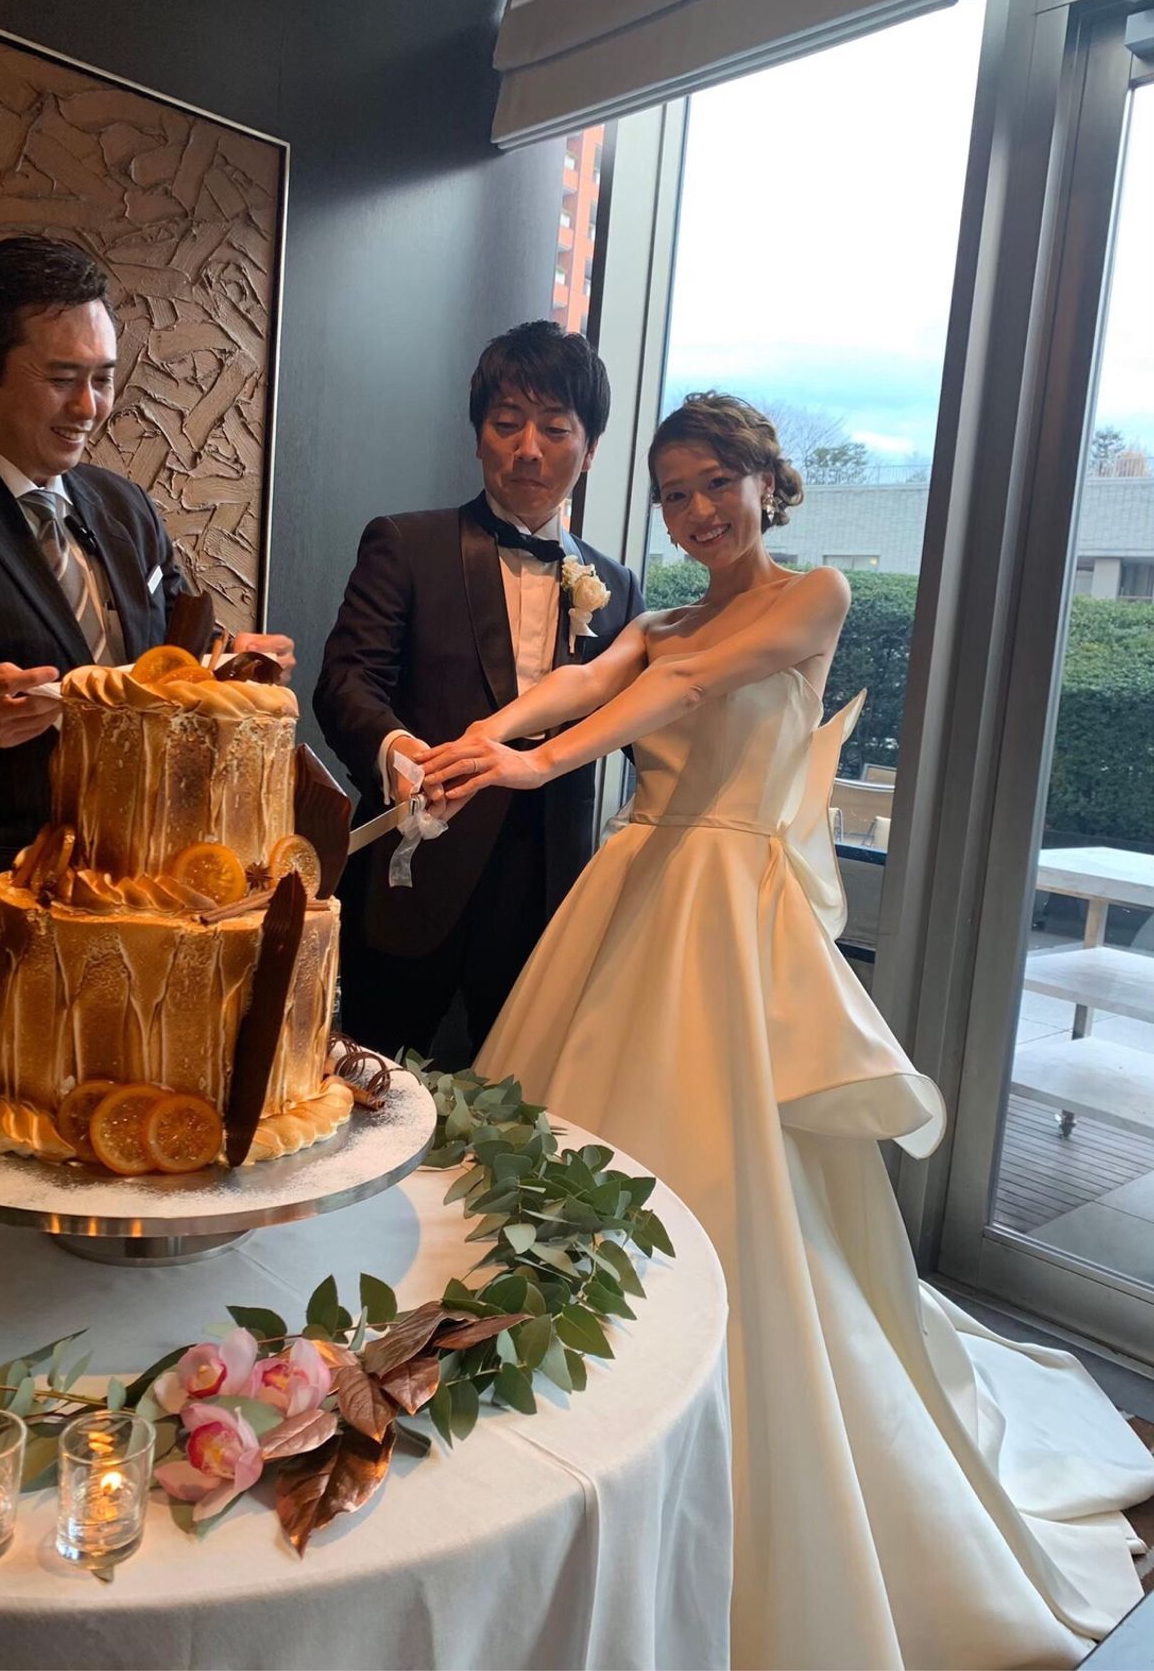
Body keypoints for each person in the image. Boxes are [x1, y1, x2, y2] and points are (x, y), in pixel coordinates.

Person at [422, 392, 1154, 1669]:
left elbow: (683, 687)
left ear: (767, 481)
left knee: (727, 1177)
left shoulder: (812, 595)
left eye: (716, 483)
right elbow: (587, 679)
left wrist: (536, 767)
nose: (697, 511)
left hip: (721, 915)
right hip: (628, 898)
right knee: (558, 1145)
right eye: (673, 495)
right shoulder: (657, 615)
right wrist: (467, 742)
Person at [0, 235, 293, 1018]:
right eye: (63, 378)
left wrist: (226, 662)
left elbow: (166, 658)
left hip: (151, 902)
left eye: (102, 378)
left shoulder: (124, 506)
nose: (90, 407)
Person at [313, 320, 644, 1061]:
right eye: (506, 423)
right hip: (416, 868)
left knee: (517, 1096)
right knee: (369, 1081)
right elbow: (345, 682)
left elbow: (637, 727)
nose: (528, 448)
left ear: (590, 448)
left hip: (547, 891)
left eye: (554, 428)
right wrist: (398, 753)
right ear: (478, 437)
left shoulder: (617, 586)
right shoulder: (406, 543)